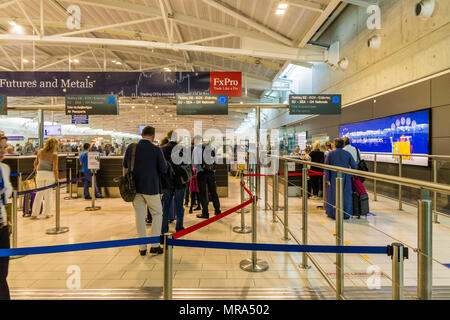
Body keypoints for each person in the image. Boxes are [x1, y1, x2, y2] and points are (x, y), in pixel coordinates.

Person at [123, 126, 168, 256]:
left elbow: (125, 166)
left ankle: (142, 247)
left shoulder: (131, 147)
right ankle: (154, 245)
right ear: (153, 136)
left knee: (140, 217)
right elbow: (164, 169)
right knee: (157, 214)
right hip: (152, 188)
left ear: (142, 134)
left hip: (135, 188)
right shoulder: (156, 149)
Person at [324, 138, 357, 220]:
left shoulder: (330, 154)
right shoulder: (347, 154)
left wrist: (327, 179)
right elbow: (354, 166)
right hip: (346, 178)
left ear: (335, 144)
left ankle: (333, 213)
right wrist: (350, 175)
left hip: (333, 177)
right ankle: (346, 214)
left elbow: (326, 167)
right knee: (345, 196)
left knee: (333, 196)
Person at [30, 137, 59, 219]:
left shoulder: (40, 151)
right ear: (54, 145)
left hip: (40, 174)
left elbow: (35, 163)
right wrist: (57, 180)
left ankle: (34, 213)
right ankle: (48, 213)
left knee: (39, 194)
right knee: (48, 194)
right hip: (49, 174)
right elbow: (55, 169)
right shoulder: (54, 155)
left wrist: (37, 170)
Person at [193, 135, 221, 219]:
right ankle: (217, 211)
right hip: (211, 172)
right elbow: (216, 160)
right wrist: (213, 170)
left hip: (201, 172)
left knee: (203, 193)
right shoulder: (212, 147)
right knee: (213, 192)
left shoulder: (197, 148)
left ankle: (205, 213)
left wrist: (197, 168)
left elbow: (194, 163)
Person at [0, 135, 13, 300]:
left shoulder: (4, 168)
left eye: (4, 147)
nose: (3, 151)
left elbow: (7, 193)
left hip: (2, 227)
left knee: (3, 274)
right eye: (0, 148)